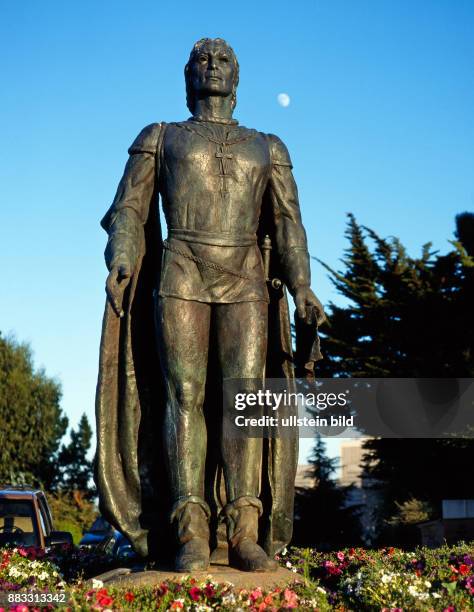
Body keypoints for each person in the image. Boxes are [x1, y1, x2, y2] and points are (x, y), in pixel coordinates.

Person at [96, 37, 325, 572]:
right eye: (203, 59)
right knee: (185, 393)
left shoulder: (267, 146)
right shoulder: (161, 137)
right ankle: (190, 526)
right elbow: (127, 208)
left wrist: (302, 285)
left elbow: (289, 223)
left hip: (245, 275)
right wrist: (124, 257)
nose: (213, 66)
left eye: (223, 60)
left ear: (237, 80)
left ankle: (245, 528)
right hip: (181, 269)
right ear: (187, 75)